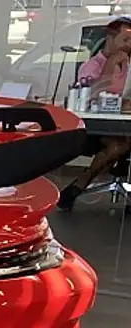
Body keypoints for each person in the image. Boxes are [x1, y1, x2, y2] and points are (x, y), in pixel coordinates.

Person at [58, 17, 131, 211]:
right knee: (120, 144)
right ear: (109, 38)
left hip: (124, 125)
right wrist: (110, 65)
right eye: (125, 40)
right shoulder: (91, 66)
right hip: (98, 128)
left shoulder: (128, 65)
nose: (128, 46)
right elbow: (92, 97)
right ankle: (81, 183)